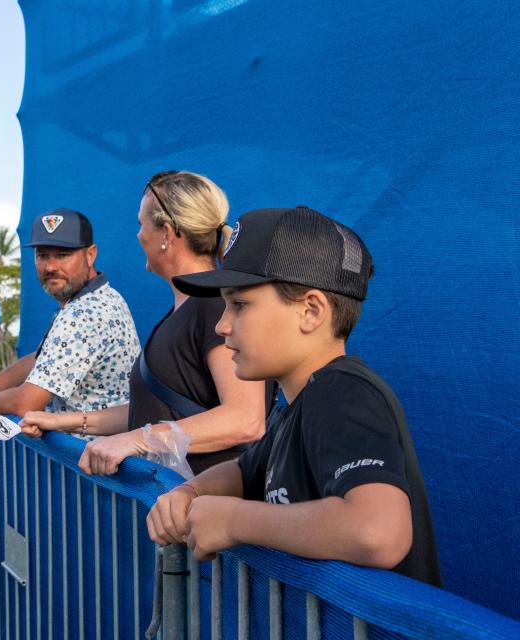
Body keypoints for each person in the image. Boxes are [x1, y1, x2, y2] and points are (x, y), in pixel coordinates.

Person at [147, 205, 442, 586]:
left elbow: (378, 532)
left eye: (239, 305)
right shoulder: (296, 409)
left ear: (311, 311)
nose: (222, 325)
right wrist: (190, 492)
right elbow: (242, 470)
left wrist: (235, 520)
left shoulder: (342, 392)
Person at [19, 172, 269, 475]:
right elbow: (150, 414)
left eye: (141, 224)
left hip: (210, 507)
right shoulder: (184, 309)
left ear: (166, 233)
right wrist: (62, 421)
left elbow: (245, 419)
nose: (138, 236)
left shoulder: (215, 305)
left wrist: (136, 441)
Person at [0, 209, 139, 424]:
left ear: (90, 255)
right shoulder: (102, 295)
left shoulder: (83, 314)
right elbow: (42, 359)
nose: (51, 267)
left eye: (63, 255)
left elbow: (25, 403)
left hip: (91, 452)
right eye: (42, 255)